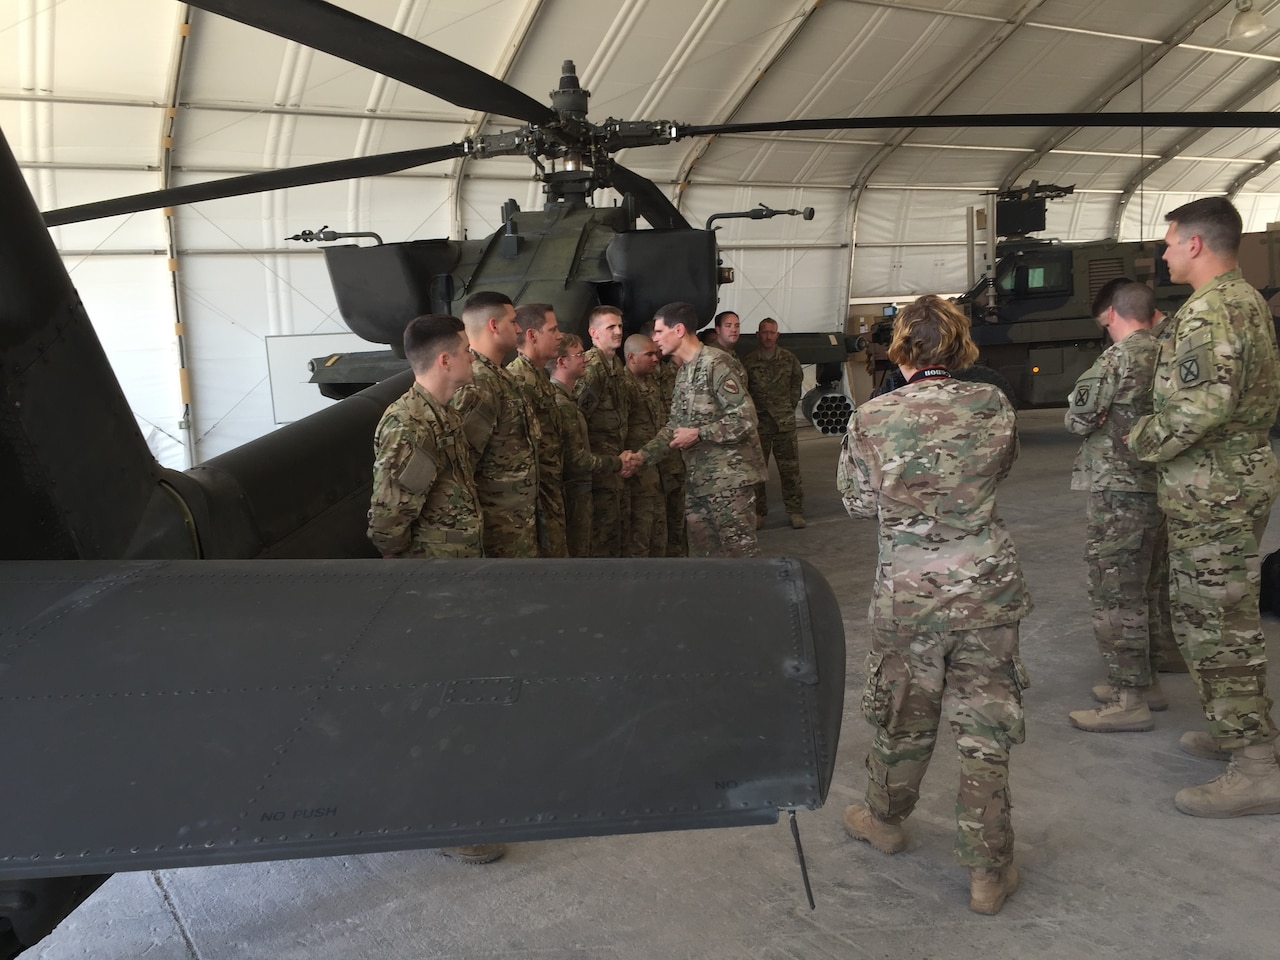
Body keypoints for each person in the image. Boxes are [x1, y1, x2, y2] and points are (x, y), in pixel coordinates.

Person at [837, 294, 1031, 916]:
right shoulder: (993, 404)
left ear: (900, 348)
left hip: (909, 598)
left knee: (901, 717)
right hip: (986, 590)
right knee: (985, 732)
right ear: (961, 344)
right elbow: (1000, 469)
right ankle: (987, 871)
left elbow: (859, 503)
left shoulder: (872, 417)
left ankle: (885, 820)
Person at [1129, 196, 1280, 818]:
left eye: (1168, 242)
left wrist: (1139, 439)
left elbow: (1199, 408)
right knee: (1223, 615)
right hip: (1228, 482)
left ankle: (1255, 766)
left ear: (1194, 244)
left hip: (1214, 489)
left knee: (1217, 626)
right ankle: (1238, 733)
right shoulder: (1242, 301)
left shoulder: (1210, 314)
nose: (1163, 253)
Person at [367, 313, 506, 865]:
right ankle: (444, 820)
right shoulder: (410, 424)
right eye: (467, 353)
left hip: (457, 582)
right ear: (446, 359)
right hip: (431, 588)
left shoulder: (441, 416)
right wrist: (415, 583)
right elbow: (386, 524)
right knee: (439, 702)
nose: (474, 359)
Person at [1064, 280, 1165, 733]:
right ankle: (1148, 683)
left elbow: (1078, 418)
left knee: (1115, 593)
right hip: (1157, 486)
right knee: (1145, 588)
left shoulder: (1118, 358)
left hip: (1118, 492)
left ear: (1111, 314)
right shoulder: (1166, 352)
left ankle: (1129, 700)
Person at [633, 301, 765, 558]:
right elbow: (675, 426)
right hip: (698, 482)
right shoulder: (684, 372)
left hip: (729, 483)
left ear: (679, 330)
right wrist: (642, 457)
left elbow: (745, 418)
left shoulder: (716, 364)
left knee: (742, 560)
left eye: (659, 332)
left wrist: (700, 434)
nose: (655, 338)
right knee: (706, 560)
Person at [450, 291, 539, 559]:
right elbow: (464, 463)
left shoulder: (499, 376)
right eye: (513, 321)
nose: (519, 328)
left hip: (517, 519)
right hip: (498, 528)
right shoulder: (480, 383)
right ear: (494, 325)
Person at [548, 334, 625, 557]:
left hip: (580, 493)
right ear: (562, 362)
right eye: (579, 354)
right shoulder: (561, 404)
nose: (586, 359)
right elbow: (577, 460)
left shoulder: (568, 400)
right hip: (572, 496)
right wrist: (618, 462)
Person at [507, 303, 566, 557]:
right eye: (552, 329)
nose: (560, 335)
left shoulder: (539, 377)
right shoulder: (518, 381)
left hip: (550, 493)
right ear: (532, 335)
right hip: (532, 505)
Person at [575, 306, 630, 557]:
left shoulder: (615, 364)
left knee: (616, 530)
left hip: (616, 463)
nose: (618, 331)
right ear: (593, 333)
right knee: (602, 535)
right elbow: (578, 416)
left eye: (619, 326)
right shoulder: (592, 368)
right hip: (599, 465)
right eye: (611, 327)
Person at [744, 317, 806, 530]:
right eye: (764, 332)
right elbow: (745, 391)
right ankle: (759, 512)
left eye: (772, 332)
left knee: (790, 470)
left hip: (784, 424)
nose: (768, 336)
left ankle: (795, 511)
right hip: (759, 425)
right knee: (758, 472)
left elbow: (796, 383)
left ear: (777, 335)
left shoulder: (788, 359)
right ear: (758, 335)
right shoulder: (749, 362)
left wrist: (788, 407)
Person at [622, 334, 669, 557]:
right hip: (636, 475)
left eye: (656, 353)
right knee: (638, 536)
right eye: (648, 354)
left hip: (657, 470)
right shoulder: (622, 386)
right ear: (631, 357)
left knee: (658, 533)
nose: (655, 358)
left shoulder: (651, 382)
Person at [653, 350, 689, 557]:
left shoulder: (684, 374)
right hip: (663, 454)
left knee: (679, 513)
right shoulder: (662, 377)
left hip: (678, 454)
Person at [710, 310, 749, 385]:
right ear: (718, 329)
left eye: (737, 326)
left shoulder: (732, 353)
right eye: (728, 326)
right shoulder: (711, 355)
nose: (734, 330)